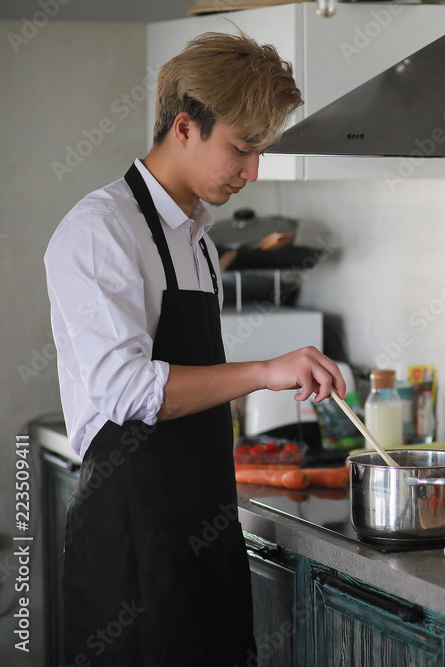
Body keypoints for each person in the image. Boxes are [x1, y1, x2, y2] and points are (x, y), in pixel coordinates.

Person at [44, 31, 346, 666]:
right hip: (131, 547)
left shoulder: (199, 241)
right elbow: (127, 389)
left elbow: (198, 383)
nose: (252, 170)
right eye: (242, 147)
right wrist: (265, 371)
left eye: (261, 151)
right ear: (184, 127)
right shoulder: (101, 231)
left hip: (205, 536)